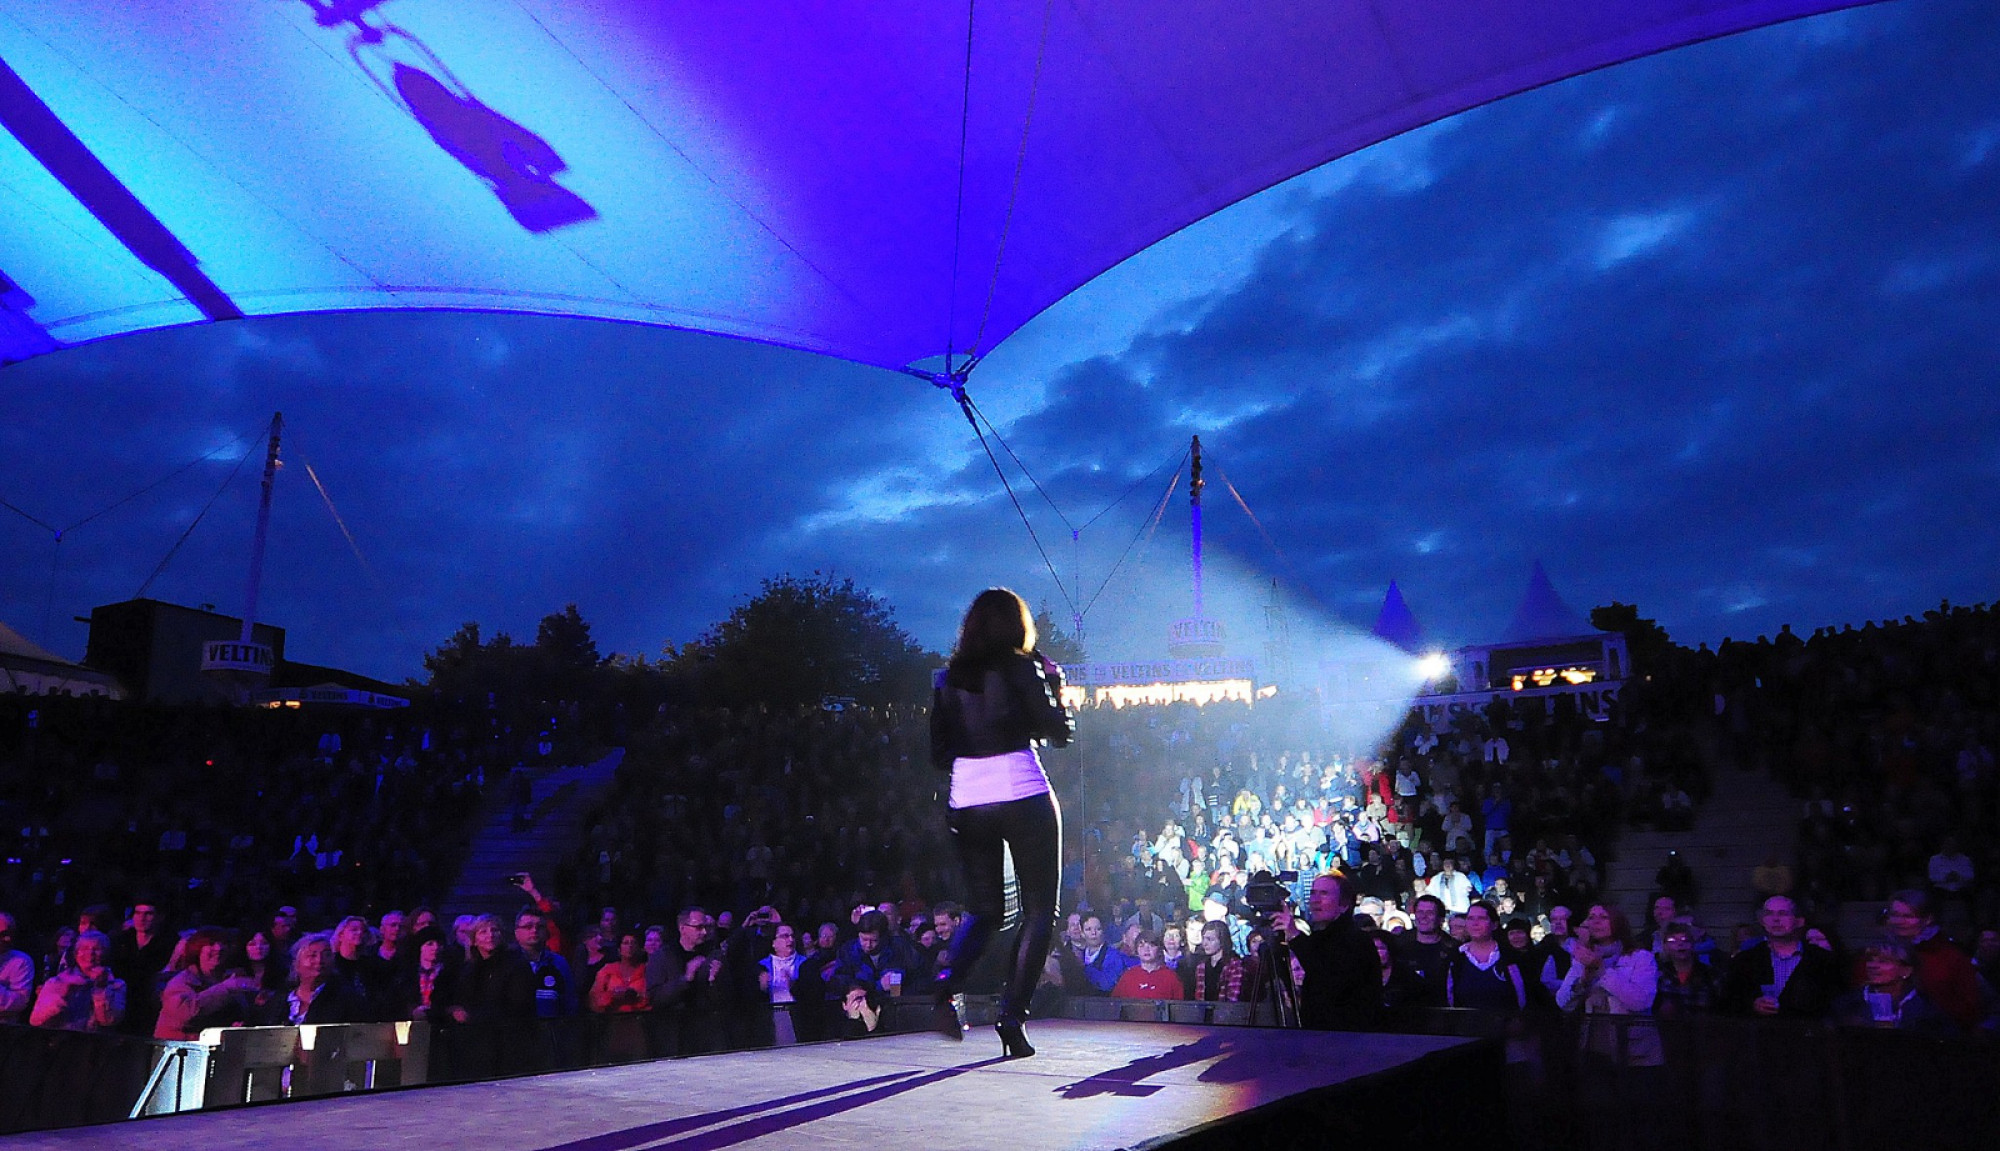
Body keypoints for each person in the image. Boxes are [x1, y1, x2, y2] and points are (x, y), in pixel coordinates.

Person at [928, 587, 1075, 1058]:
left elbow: (938, 753)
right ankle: (1012, 1018)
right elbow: (1059, 732)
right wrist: (1055, 687)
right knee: (1040, 909)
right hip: (1020, 788)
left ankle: (946, 983)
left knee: (986, 909)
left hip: (968, 796)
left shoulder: (948, 678)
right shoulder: (1023, 667)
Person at [1274, 872, 1380, 1030]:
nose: (1315, 900)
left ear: (1344, 905)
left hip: (1346, 1037)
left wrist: (1295, 935)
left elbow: (1328, 977)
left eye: (1324, 893)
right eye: (1313, 893)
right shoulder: (1319, 937)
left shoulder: (1356, 940)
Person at [1718, 896, 1840, 1020]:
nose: (1775, 919)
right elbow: (1728, 1002)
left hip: (1808, 1029)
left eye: (1783, 914)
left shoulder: (1822, 959)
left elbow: (1835, 1002)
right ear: (1762, 921)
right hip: (1759, 1029)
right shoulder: (1745, 960)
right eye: (1769, 914)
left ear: (1799, 921)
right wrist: (1752, 1005)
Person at [1880, 889, 1983, 1031]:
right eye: (1895, 915)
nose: (1899, 921)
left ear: (1928, 919)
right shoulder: (1879, 951)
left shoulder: (1950, 956)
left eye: (1908, 916)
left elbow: (1970, 1009)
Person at [155, 927, 261, 1039]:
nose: (218, 948)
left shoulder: (232, 977)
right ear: (198, 949)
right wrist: (226, 988)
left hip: (220, 1045)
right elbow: (186, 1013)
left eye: (224, 944)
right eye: (211, 944)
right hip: (180, 1046)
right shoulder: (181, 981)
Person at [1830, 940, 1952, 1033]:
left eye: (1883, 961)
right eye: (1870, 960)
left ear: (1906, 971)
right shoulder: (1846, 1005)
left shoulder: (1928, 1011)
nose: (1873, 966)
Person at [30, 929, 125, 1032]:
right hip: (61, 1039)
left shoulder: (116, 985)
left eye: (97, 949)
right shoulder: (57, 982)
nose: (90, 953)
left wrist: (100, 989)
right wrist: (62, 996)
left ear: (105, 953)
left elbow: (108, 1020)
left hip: (96, 1041)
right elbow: (36, 1021)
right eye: (84, 948)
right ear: (76, 954)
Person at [1447, 902, 1526, 1012]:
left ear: (1494, 925)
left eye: (1481, 918)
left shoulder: (1510, 957)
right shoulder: (1456, 958)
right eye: (1470, 919)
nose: (1475, 923)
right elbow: (1450, 998)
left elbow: (1522, 997)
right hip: (1465, 1022)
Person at [1111, 932, 1183, 999]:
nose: (1146, 949)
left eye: (1151, 945)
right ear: (1137, 950)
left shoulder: (1171, 977)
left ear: (1159, 949)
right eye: (1141, 946)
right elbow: (1115, 1003)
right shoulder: (1128, 977)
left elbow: (1179, 1005)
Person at [1188, 920, 1246, 1003]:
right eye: (1204, 938)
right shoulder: (1201, 966)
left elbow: (1233, 999)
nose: (1204, 943)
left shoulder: (1234, 965)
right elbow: (1199, 997)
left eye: (1210, 939)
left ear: (1222, 941)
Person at [0, 911, 33, 1025]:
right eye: (2, 934)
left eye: (8, 934)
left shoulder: (21, 960)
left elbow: (19, 1003)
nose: (7, 939)